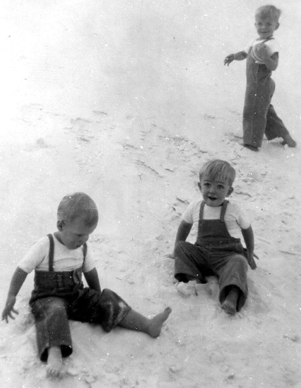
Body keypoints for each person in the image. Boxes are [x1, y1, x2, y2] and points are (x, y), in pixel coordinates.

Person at [2, 192, 171, 378]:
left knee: (108, 300)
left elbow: (90, 271)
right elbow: (22, 270)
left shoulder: (82, 248)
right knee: (55, 310)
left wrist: (97, 296)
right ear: (61, 225)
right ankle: (54, 352)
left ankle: (147, 324)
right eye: (79, 235)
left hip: (75, 295)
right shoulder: (45, 245)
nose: (83, 240)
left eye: (88, 235)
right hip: (47, 297)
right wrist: (11, 296)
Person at [172, 160, 257, 315]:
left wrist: (250, 253)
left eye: (220, 186)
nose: (212, 191)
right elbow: (184, 226)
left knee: (239, 261)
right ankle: (194, 280)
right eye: (207, 184)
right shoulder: (195, 207)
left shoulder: (233, 209)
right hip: (202, 254)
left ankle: (231, 296)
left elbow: (247, 230)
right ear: (200, 186)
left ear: (229, 191)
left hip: (226, 257)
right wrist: (176, 250)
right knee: (181, 247)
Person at [224, 5, 296, 151]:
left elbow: (273, 66)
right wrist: (233, 56)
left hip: (261, 83)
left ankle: (252, 142)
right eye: (260, 23)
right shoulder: (255, 41)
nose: (264, 27)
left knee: (253, 111)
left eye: (269, 24)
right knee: (265, 110)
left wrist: (265, 57)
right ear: (255, 24)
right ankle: (287, 138)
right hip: (255, 84)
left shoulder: (271, 44)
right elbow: (244, 54)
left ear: (277, 26)